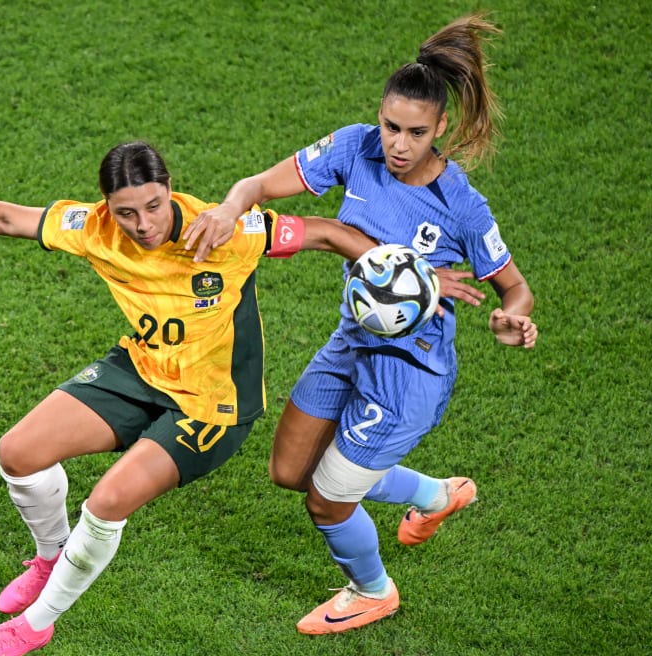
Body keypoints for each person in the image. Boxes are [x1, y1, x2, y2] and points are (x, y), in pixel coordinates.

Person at [0, 141, 384, 656]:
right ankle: (50, 560)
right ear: (107, 207)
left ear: (169, 188)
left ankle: (34, 627)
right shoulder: (92, 227)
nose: (142, 224)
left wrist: (408, 277)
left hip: (210, 404)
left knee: (104, 503)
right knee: (18, 453)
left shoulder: (227, 230)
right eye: (126, 212)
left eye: (152, 205)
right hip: (143, 369)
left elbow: (329, 233)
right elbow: (6, 217)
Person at [183, 13, 538, 635]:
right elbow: (262, 183)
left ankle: (372, 591)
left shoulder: (462, 206)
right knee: (290, 472)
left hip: (408, 374)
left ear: (442, 129)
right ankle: (435, 494)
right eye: (390, 126)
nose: (398, 144)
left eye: (416, 132)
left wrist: (514, 318)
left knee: (328, 497)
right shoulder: (355, 147)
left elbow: (513, 287)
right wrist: (229, 207)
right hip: (351, 341)